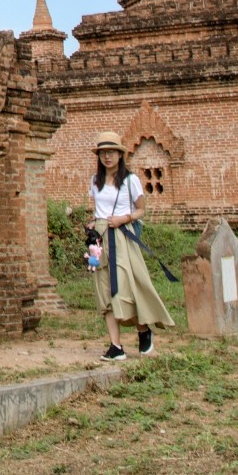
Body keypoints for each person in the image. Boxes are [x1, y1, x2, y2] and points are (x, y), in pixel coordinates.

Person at [88, 131, 174, 359]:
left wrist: (124, 219)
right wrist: (93, 224)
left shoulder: (130, 180)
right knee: (104, 292)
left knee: (124, 290)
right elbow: (98, 209)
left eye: (111, 152)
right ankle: (115, 346)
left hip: (122, 237)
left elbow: (141, 209)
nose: (107, 157)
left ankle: (143, 330)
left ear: (119, 154)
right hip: (100, 239)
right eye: (103, 153)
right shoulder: (95, 181)